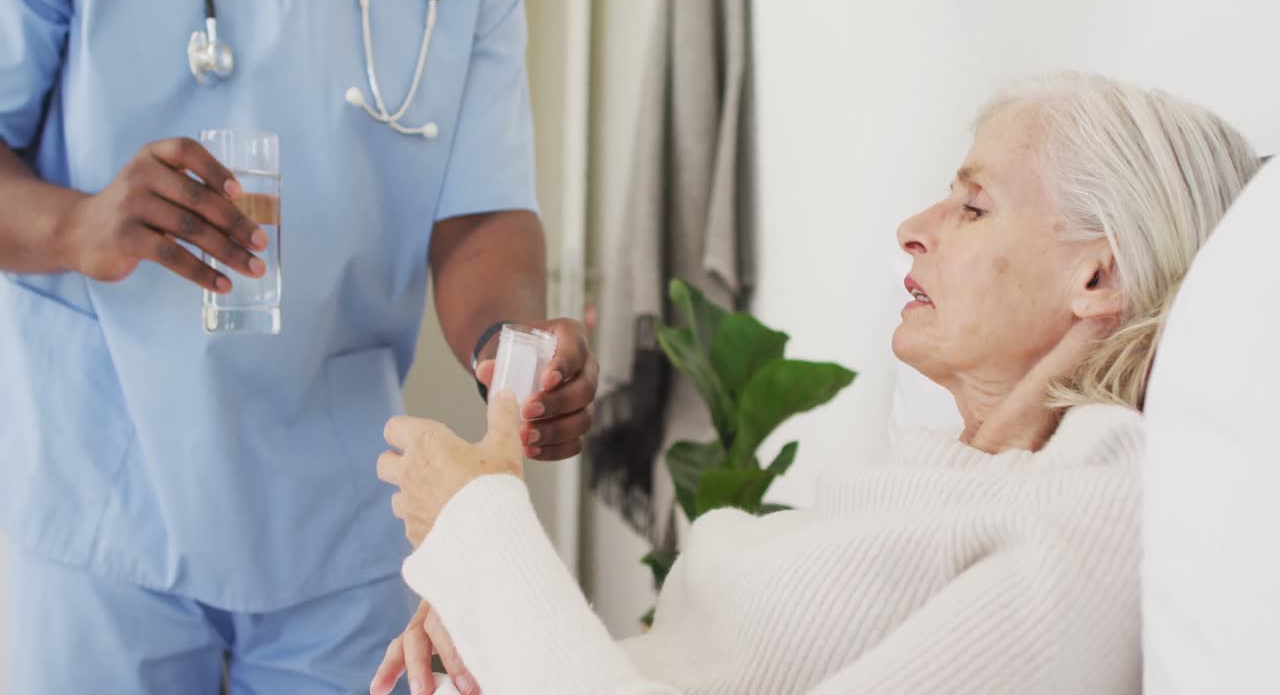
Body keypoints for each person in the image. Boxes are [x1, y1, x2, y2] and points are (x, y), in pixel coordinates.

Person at [372, 72, 1261, 694]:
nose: (914, 227)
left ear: (1098, 279)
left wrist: (483, 530)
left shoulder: (1083, 526)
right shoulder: (927, 481)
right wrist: (489, 629)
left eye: (973, 204)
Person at [0, 0, 597, 693]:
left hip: (332, 506)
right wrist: (73, 226)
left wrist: (508, 347)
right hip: (104, 472)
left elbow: (482, 208)